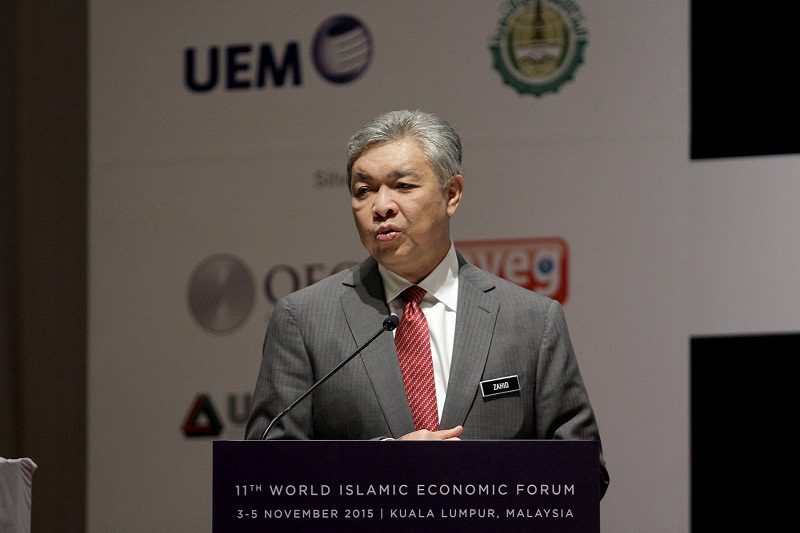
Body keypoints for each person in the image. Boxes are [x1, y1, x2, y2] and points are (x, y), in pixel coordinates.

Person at [245, 109, 609, 497]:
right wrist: (384, 465)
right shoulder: (304, 320)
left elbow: (583, 473)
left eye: (402, 185)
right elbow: (265, 476)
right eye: (363, 190)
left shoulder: (531, 321)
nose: (380, 206)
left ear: (451, 194)